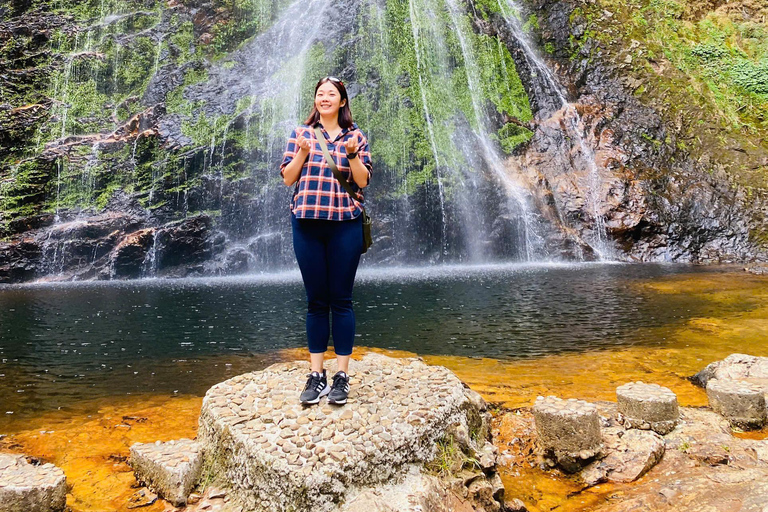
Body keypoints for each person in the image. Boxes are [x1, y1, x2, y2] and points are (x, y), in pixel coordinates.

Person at [279, 76, 372, 406]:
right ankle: (316, 374)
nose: (325, 98)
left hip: (345, 224)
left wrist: (352, 156)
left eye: (332, 94)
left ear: (342, 101)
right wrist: (303, 154)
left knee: (341, 300)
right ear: (315, 100)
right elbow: (288, 178)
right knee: (316, 301)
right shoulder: (301, 134)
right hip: (306, 224)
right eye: (321, 94)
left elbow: (363, 181)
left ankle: (342, 376)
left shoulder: (355, 136)